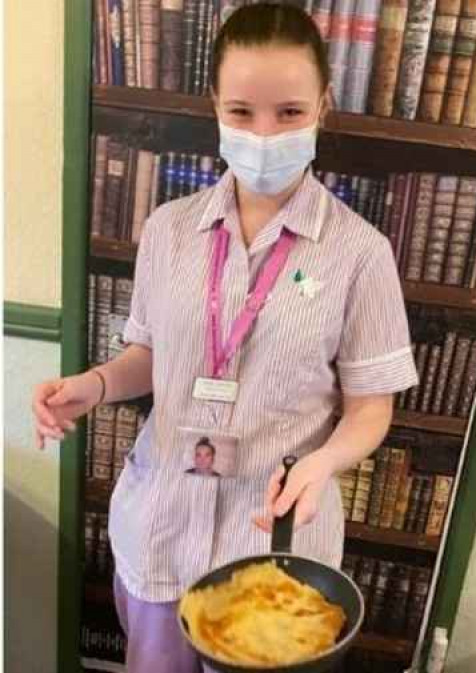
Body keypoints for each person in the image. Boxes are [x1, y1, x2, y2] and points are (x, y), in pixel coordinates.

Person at [30, 4, 417, 671]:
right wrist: (91, 387)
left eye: (289, 113)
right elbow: (148, 357)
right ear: (215, 108)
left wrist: (322, 464)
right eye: (242, 112)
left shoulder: (361, 253)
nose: (264, 132)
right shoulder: (168, 229)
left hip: (273, 551)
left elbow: (370, 405)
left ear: (323, 106)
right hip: (162, 527)